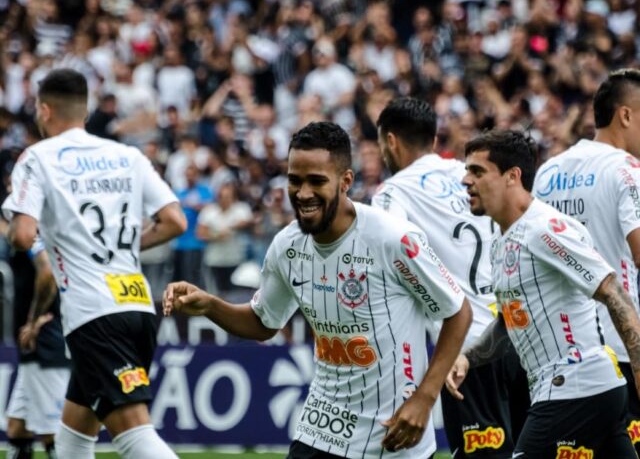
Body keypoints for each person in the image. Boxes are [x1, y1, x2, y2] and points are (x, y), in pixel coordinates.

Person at [163, 121, 472, 458]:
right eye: (295, 180)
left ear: (346, 182)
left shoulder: (393, 239)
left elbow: (457, 311)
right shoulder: (287, 247)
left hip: (392, 436)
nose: (303, 193)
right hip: (321, 427)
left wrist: (425, 398)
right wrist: (209, 305)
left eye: (317, 181)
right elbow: (263, 322)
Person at [446, 129, 640, 458]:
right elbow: (511, 321)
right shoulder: (501, 240)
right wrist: (468, 357)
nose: (466, 180)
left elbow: (614, 293)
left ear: (512, 176)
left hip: (574, 386)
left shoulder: (547, 230)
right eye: (466, 170)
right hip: (584, 390)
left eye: (477, 171)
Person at [2, 68, 187, 459]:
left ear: (45, 110)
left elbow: (21, 235)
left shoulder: (37, 158)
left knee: (134, 433)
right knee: (72, 437)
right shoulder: (127, 155)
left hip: (94, 314)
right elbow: (175, 221)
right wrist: (130, 244)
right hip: (137, 307)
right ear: (85, 112)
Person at [533, 68, 640, 458]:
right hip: (622, 349)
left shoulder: (547, 172)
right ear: (625, 115)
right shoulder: (625, 168)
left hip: (563, 355)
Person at [372, 97, 528, 458]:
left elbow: (385, 259)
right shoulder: (475, 176)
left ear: (390, 141)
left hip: (467, 352)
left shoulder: (394, 192)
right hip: (517, 333)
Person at [5, 239, 69, 459]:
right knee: (17, 427)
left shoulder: (34, 236)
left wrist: (34, 321)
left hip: (46, 343)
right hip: (34, 348)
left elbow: (48, 272)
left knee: (54, 434)